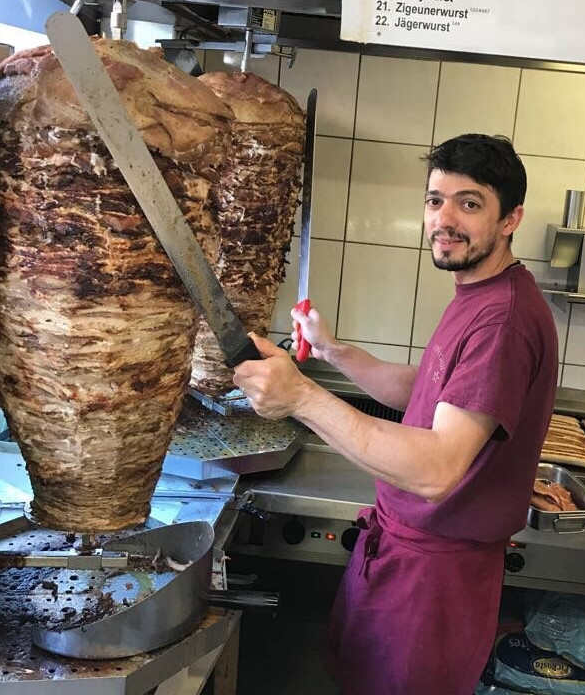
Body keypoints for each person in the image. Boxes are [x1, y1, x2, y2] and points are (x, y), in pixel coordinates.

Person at [233, 133, 559, 695]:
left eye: (470, 203)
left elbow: (436, 469)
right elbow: (425, 388)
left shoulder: (502, 319)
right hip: (404, 558)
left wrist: (302, 398)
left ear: (511, 219)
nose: (444, 219)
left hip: (434, 581)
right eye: (435, 200)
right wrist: (333, 351)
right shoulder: (481, 292)